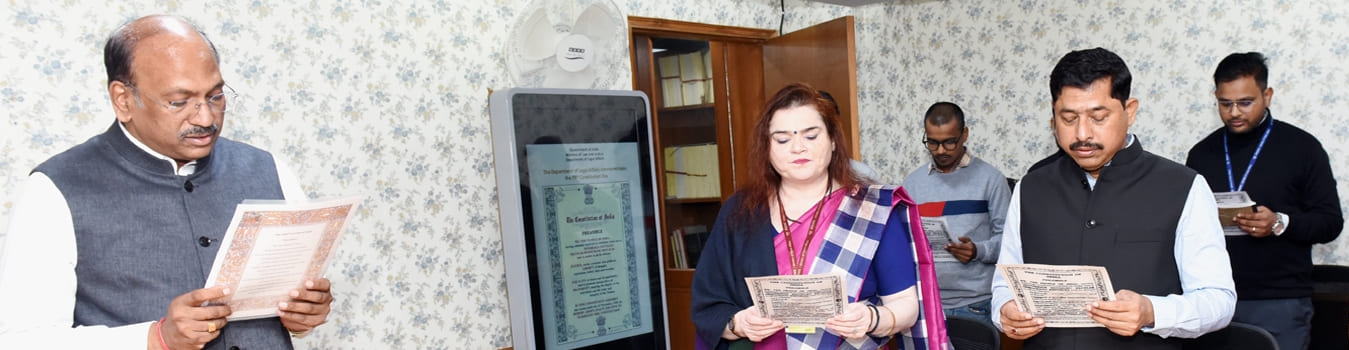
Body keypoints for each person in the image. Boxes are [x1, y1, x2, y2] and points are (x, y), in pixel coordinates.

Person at [0, 15, 332, 349]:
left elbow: (294, 305)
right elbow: (21, 341)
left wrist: (302, 316)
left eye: (215, 96)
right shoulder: (53, 189)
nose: (205, 118)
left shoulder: (270, 169)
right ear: (123, 100)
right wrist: (155, 338)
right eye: (179, 102)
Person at [990, 47, 1235, 350]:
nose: (1082, 134)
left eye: (1098, 117)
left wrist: (1151, 312)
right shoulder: (1030, 188)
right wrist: (1005, 312)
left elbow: (1218, 300)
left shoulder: (1185, 186)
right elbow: (1005, 283)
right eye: (1068, 118)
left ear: (1129, 111)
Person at [690, 83, 947, 350]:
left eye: (811, 136)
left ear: (833, 140)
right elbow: (709, 306)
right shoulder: (740, 212)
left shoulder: (871, 210)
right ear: (766, 147)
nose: (798, 147)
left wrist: (872, 318)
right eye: (782, 139)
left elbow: (905, 306)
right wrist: (738, 324)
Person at [1184, 52, 1343, 350]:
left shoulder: (1303, 148)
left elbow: (1331, 222)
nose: (1234, 113)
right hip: (1213, 296)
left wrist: (1280, 222)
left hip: (1280, 299)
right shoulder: (1202, 154)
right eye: (1224, 103)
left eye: (1245, 102)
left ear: (1267, 95)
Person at [900, 102, 1010, 326]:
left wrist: (978, 250)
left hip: (975, 304)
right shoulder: (912, 184)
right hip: (925, 303)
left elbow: (1011, 244)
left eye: (949, 142)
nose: (940, 151)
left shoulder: (991, 179)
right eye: (932, 142)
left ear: (964, 135)